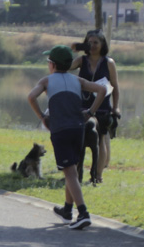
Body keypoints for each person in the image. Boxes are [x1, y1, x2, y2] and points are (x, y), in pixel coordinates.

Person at [29, 45, 106, 229]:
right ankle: (67, 209)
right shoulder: (77, 80)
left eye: (49, 62)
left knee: (69, 171)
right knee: (73, 167)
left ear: (53, 65)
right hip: (78, 128)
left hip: (60, 129)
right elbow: (102, 90)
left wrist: (42, 117)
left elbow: (31, 97)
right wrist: (90, 112)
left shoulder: (46, 81)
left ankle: (83, 213)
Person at [70, 30, 119, 183]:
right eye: (89, 42)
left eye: (96, 43)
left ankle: (98, 175)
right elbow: (63, 68)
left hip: (103, 107)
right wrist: (71, 51)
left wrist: (115, 107)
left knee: (100, 140)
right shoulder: (81, 60)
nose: (92, 46)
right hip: (82, 106)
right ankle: (76, 174)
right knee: (78, 140)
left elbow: (115, 86)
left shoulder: (109, 63)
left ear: (103, 44)